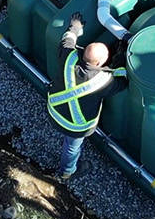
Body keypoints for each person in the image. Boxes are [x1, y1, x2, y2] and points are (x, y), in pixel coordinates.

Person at [47, 13, 127, 180]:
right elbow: (122, 81)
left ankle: (67, 170)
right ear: (99, 64)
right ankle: (67, 172)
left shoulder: (68, 57)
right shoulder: (102, 81)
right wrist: (121, 59)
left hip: (54, 110)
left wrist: (75, 26)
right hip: (75, 126)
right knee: (71, 148)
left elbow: (67, 40)